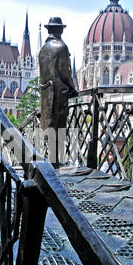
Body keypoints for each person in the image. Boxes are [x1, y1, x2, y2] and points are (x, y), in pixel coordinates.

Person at [38, 17, 77, 164]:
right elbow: (65, 72)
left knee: (49, 124)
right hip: (59, 93)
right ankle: (56, 160)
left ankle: (52, 158)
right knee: (60, 125)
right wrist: (72, 88)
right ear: (60, 29)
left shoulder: (43, 49)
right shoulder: (61, 47)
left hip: (45, 93)